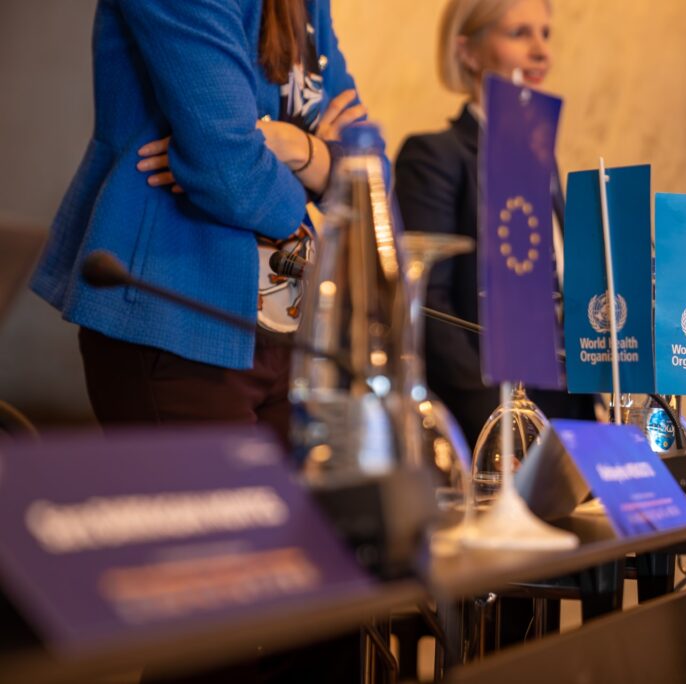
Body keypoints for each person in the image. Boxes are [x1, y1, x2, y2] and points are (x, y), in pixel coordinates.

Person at [31, 0, 367, 446]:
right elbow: (230, 174)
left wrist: (295, 147)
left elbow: (366, 168)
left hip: (290, 327)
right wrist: (317, 167)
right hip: (177, 314)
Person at [394, 0, 594, 447]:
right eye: (519, 33)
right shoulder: (434, 157)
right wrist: (505, 428)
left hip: (567, 417)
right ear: (468, 51)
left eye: (545, 34)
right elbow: (429, 312)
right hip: (489, 426)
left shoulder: (543, 162)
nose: (541, 52)